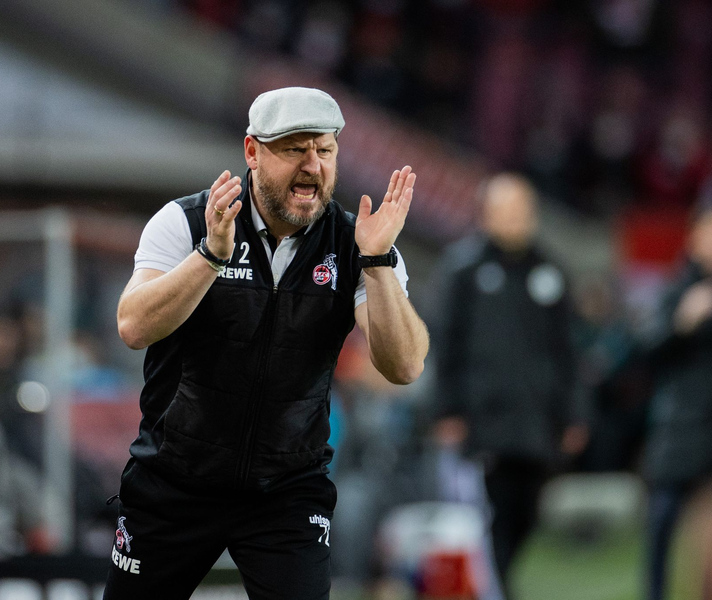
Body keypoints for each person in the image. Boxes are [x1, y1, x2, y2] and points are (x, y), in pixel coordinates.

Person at [105, 86, 429, 600]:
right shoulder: (187, 222)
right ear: (252, 151)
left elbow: (405, 366)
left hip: (287, 490)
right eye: (294, 149)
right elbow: (133, 327)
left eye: (324, 150)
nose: (312, 167)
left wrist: (377, 263)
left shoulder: (357, 242)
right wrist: (210, 257)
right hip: (174, 481)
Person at [427, 173, 586, 596]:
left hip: (537, 423)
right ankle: (497, 590)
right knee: (487, 517)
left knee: (527, 514)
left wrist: (574, 413)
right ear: (485, 216)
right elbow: (444, 345)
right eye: (506, 211)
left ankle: (502, 583)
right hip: (483, 422)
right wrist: (446, 410)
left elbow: (571, 350)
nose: (515, 220)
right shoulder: (463, 270)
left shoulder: (551, 271)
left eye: (522, 211)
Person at [640, 199, 712, 600]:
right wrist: (681, 323)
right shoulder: (678, 289)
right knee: (664, 519)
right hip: (682, 426)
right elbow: (647, 351)